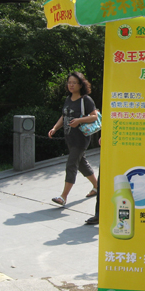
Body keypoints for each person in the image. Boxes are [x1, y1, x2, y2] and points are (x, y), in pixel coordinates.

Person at [48, 71, 98, 206]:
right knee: (81, 164)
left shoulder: (85, 100)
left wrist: (79, 120)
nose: (71, 85)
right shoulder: (68, 99)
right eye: (69, 82)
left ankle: (63, 197)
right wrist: (55, 128)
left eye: (74, 83)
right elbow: (63, 116)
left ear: (81, 84)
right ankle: (97, 186)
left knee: (71, 164)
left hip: (81, 139)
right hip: (70, 138)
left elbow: (94, 116)